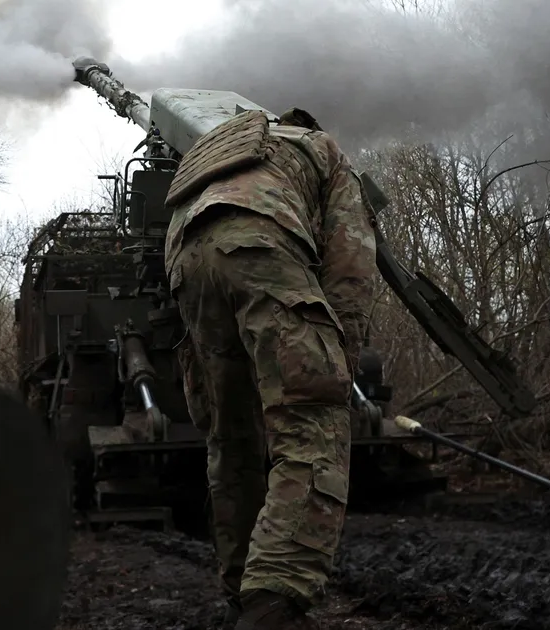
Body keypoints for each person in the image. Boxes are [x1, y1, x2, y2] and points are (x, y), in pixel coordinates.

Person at [164, 106, 380, 630]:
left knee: (232, 439)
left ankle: (244, 595)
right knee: (311, 424)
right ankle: (274, 603)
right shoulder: (322, 150)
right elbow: (351, 263)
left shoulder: (221, 152)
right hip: (262, 239)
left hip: (184, 255)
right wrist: (337, 364)